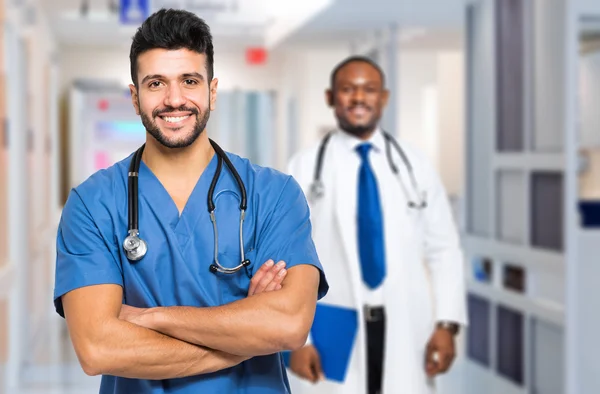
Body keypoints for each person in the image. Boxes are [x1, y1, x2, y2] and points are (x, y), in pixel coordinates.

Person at [53, 8, 328, 394]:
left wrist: (150, 317)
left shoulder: (275, 195)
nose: (174, 99)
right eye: (155, 84)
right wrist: (245, 341)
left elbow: (289, 325)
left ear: (211, 91)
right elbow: (98, 348)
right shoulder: (92, 204)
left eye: (189, 80)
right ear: (134, 98)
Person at [286, 56, 467, 394]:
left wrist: (447, 325)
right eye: (347, 89)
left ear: (383, 98)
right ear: (330, 97)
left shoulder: (415, 165)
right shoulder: (305, 166)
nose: (358, 98)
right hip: (332, 320)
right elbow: (287, 256)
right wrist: (296, 341)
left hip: (404, 319)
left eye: (369, 90)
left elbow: (444, 249)